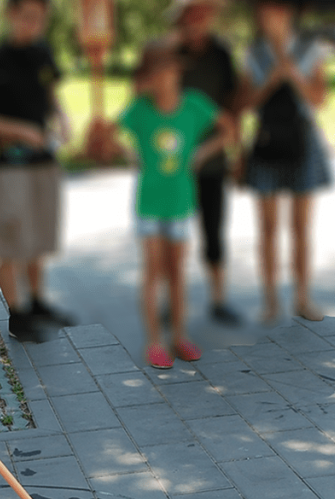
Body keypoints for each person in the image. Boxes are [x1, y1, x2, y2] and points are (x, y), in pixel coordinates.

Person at [104, 41, 232, 369]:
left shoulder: (194, 106)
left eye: (171, 70)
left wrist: (204, 153)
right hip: (149, 204)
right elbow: (108, 136)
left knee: (177, 272)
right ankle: (154, 343)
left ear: (178, 73)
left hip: (180, 203)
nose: (165, 78)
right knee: (153, 271)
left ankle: (179, 337)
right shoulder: (140, 110)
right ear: (149, 77)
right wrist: (128, 152)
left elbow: (227, 128)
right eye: (158, 71)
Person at [0, 0, 74, 343]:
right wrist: (21, 132)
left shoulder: (43, 52)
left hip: (44, 160)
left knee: (39, 234)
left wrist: (62, 118)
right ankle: (17, 315)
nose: (35, 25)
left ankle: (38, 303)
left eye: (40, 19)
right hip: (11, 165)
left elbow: (51, 93)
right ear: (11, 15)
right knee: (12, 240)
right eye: (28, 17)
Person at [241, 0, 332, 323]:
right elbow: (245, 102)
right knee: (266, 227)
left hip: (302, 139)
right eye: (263, 12)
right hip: (267, 139)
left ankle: (302, 299)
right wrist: (270, 79)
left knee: (301, 227)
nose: (268, 18)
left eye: (274, 11)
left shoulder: (310, 49)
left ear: (288, 13)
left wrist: (292, 73)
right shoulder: (252, 53)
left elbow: (320, 98)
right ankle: (270, 302)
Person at [170, 0, 242, 326]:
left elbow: (233, 111)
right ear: (180, 20)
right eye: (190, 16)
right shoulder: (169, 54)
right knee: (172, 235)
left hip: (212, 160)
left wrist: (230, 150)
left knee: (213, 232)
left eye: (203, 15)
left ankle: (218, 299)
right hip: (172, 164)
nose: (197, 22)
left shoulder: (222, 55)